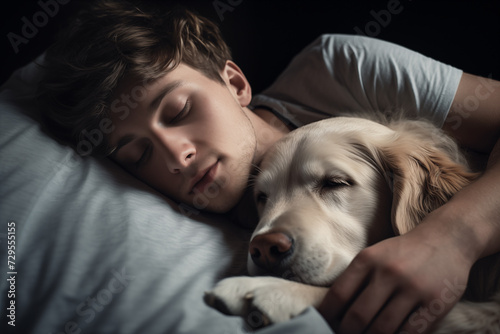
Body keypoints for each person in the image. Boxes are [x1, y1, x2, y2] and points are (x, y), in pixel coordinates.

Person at [37, 1, 500, 333]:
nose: (176, 156)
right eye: (138, 155)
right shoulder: (186, 222)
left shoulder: (342, 68)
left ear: (235, 82)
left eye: (178, 110)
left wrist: (450, 238)